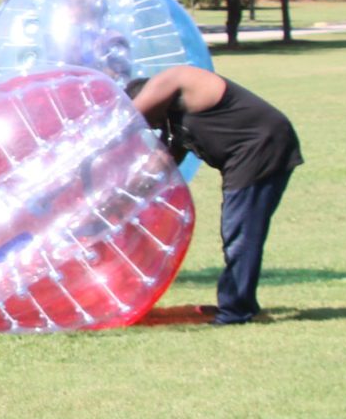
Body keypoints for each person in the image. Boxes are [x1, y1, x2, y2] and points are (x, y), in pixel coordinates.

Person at [129, 66, 303, 327]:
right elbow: (162, 165)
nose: (148, 127)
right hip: (252, 153)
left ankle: (236, 311)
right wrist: (125, 196)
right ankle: (239, 302)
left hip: (261, 146)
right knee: (238, 231)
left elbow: (129, 118)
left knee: (240, 232)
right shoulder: (173, 124)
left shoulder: (175, 81)